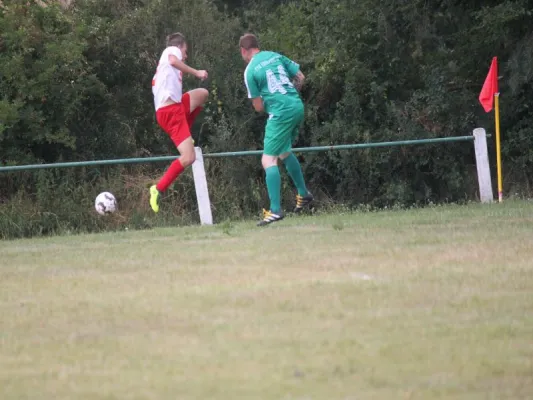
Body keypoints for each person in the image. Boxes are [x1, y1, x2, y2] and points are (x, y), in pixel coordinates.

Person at [240, 33, 313, 226]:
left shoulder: (249, 71)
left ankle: (275, 210)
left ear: (244, 51)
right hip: (296, 106)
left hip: (280, 113)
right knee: (283, 151)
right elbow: (300, 77)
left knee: (268, 159)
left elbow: (258, 107)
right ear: (258, 46)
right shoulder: (275, 56)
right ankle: (303, 194)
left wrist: (274, 103)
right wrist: (288, 98)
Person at [149, 32, 209, 212]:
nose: (186, 55)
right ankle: (158, 189)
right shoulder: (172, 49)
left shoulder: (164, 65)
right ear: (180, 46)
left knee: (202, 95)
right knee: (189, 157)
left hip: (173, 107)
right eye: (186, 50)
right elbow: (175, 61)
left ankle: (187, 135)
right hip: (170, 113)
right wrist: (196, 72)